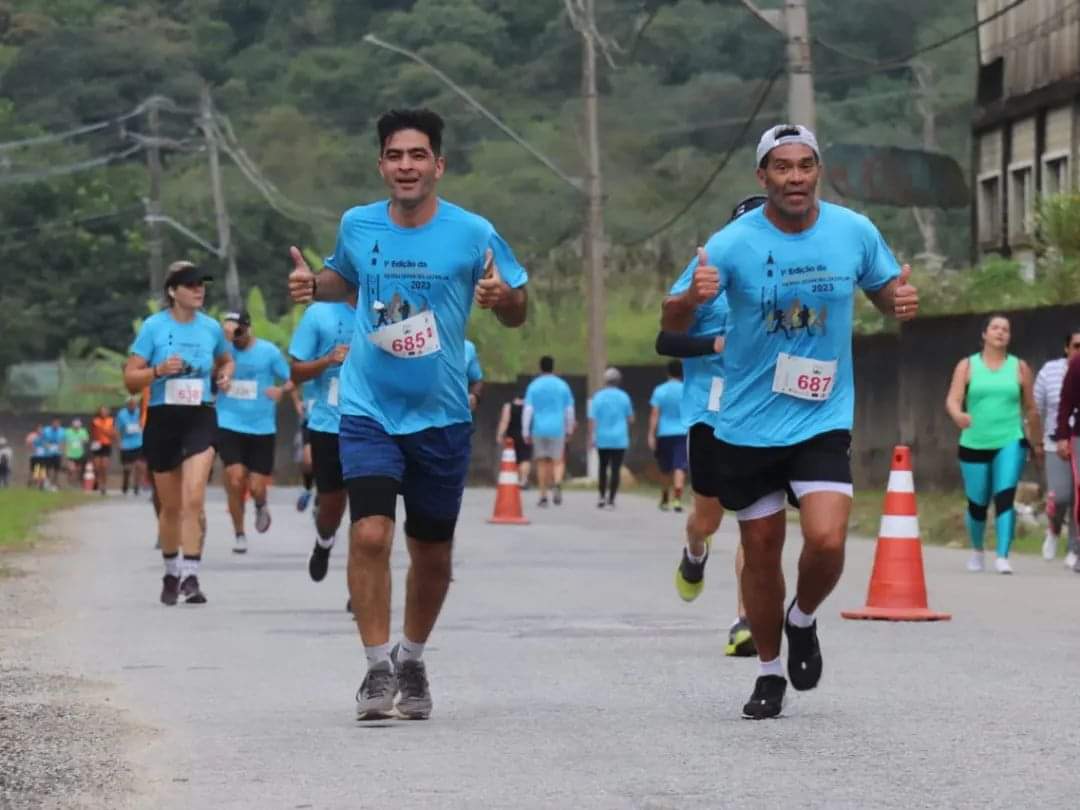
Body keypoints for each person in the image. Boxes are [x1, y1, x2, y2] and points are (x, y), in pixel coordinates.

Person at [661, 124, 918, 719]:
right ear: (763, 177)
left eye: (805, 166)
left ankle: (802, 617)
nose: (794, 177)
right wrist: (691, 299)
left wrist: (897, 302)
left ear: (818, 171)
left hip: (822, 412)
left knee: (827, 538)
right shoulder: (729, 244)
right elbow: (671, 325)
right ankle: (769, 669)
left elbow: (883, 292)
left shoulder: (853, 231)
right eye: (782, 167)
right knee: (761, 549)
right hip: (747, 423)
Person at [286, 108, 528, 721]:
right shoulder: (358, 222)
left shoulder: (473, 233)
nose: (406, 166)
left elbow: (517, 305)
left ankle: (412, 657)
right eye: (395, 156)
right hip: (368, 408)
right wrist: (311, 286)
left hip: (441, 416)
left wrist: (504, 300)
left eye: (418, 155)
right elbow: (342, 279)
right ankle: (375, 667)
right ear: (381, 165)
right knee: (369, 532)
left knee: (433, 554)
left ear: (438, 165)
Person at [658, 193, 767, 658]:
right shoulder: (706, 272)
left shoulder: (780, 276)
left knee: (755, 522)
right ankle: (694, 551)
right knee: (708, 518)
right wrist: (717, 344)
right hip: (709, 412)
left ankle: (746, 620)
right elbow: (667, 339)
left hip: (762, 414)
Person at [123, 260, 233, 605]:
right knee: (170, 508)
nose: (199, 289)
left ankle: (191, 576)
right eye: (190, 284)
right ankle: (171, 570)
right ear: (173, 291)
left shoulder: (211, 327)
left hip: (200, 418)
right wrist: (157, 370)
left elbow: (225, 360)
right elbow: (130, 378)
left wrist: (225, 374)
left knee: (194, 498)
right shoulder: (153, 328)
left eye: (202, 284)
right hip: (162, 420)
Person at [945, 315, 1041, 574]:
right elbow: (953, 400)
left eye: (1005, 329)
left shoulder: (1020, 368)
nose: (1000, 332)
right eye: (995, 328)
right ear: (985, 334)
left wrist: (1036, 442)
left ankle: (1002, 555)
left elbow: (1031, 408)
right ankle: (977, 550)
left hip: (1010, 439)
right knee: (977, 503)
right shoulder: (967, 366)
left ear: (1009, 337)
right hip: (974, 440)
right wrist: (959, 416)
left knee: (1005, 496)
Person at [288, 294, 356, 583]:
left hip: (379, 426)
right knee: (332, 508)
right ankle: (324, 542)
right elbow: (296, 371)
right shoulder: (319, 314)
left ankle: (362, 586)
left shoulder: (390, 306)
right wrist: (328, 360)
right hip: (330, 426)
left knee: (371, 515)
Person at [215, 310, 294, 554]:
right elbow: (206, 374)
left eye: (239, 331)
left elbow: (293, 378)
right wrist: (219, 379)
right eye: (230, 332)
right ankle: (239, 534)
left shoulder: (268, 352)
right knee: (235, 478)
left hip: (261, 427)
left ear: (248, 328)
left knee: (257, 486)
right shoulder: (221, 353)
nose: (235, 338)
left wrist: (282, 391)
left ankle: (260, 504)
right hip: (228, 423)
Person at [1035, 330, 1080, 567]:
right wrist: (1036, 440)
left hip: (1077, 437)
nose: (1079, 351)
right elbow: (1036, 407)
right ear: (1067, 348)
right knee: (1061, 495)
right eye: (1076, 345)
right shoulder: (1050, 371)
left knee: (1078, 495)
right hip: (1056, 440)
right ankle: (1053, 530)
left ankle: (1074, 548)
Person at [523, 356, 575, 507]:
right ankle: (557, 483)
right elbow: (569, 410)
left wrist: (526, 431)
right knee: (557, 461)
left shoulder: (534, 386)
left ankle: (543, 496)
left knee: (542, 463)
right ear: (553, 367)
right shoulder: (563, 386)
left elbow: (528, 410)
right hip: (557, 428)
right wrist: (569, 428)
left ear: (540, 367)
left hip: (539, 429)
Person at [587, 367, 634, 508]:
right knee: (615, 468)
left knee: (602, 467)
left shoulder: (598, 397)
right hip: (619, 438)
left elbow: (592, 420)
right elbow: (631, 418)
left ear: (605, 380)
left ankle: (601, 497)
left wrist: (591, 437)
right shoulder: (624, 397)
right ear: (618, 381)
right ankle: (612, 499)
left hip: (602, 437)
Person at [648, 360, 689, 512]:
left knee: (665, 468)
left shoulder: (660, 390)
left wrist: (651, 434)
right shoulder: (686, 389)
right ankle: (677, 500)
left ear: (668, 372)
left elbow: (654, 414)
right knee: (680, 466)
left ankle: (665, 498)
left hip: (664, 433)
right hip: (683, 432)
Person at [496, 391, 532, 487]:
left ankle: (515, 479)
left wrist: (500, 434)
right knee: (525, 458)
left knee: (514, 458)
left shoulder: (508, 406)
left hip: (511, 436)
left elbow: (505, 421)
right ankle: (523, 480)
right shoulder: (529, 406)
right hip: (526, 435)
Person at [115, 397, 146, 496]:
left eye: (134, 404)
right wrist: (119, 443)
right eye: (130, 404)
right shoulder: (121, 414)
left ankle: (137, 486)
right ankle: (125, 484)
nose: (133, 406)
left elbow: (144, 425)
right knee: (127, 468)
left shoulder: (140, 412)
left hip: (139, 443)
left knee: (139, 466)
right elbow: (118, 430)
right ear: (127, 405)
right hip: (126, 444)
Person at [296, 380, 317, 512]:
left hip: (332, 421)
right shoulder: (307, 363)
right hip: (309, 421)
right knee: (308, 461)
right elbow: (292, 381)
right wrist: (296, 402)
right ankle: (307, 488)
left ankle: (320, 502)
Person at [89, 406, 116, 495]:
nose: (104, 413)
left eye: (105, 411)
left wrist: (109, 433)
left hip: (106, 445)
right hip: (97, 444)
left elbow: (113, 433)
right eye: (102, 411)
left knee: (104, 466)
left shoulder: (111, 421)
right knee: (97, 466)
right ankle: (97, 481)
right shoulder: (95, 421)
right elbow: (91, 432)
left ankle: (103, 485)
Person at [63, 418, 90, 488]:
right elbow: (64, 442)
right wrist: (65, 452)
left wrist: (82, 440)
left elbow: (86, 440)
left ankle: (75, 483)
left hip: (80, 454)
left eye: (78, 426)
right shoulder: (67, 432)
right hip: (70, 454)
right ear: (72, 425)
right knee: (71, 469)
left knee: (78, 470)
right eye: (75, 426)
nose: (77, 427)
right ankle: (69, 483)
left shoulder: (83, 431)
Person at [41, 418, 64, 490]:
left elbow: (63, 442)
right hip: (48, 453)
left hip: (57, 453)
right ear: (52, 423)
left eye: (57, 424)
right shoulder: (46, 430)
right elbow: (43, 440)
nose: (56, 425)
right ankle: (46, 483)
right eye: (54, 423)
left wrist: (61, 450)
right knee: (47, 469)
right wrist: (47, 447)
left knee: (56, 470)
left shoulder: (62, 431)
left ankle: (54, 484)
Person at [464, 339, 484, 411]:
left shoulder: (467, 347)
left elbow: (476, 380)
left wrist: (474, 396)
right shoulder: (428, 343)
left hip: (455, 416)